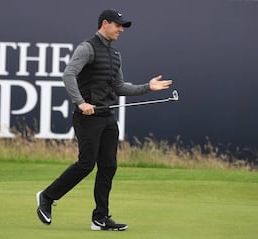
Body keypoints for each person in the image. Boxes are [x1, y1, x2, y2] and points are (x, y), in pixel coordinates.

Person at [36, 9, 172, 231]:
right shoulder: (86, 48)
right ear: (105, 23)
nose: (121, 30)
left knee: (108, 166)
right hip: (87, 118)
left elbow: (119, 87)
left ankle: (100, 218)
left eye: (122, 26)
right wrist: (81, 103)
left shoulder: (115, 55)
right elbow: (68, 75)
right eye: (118, 25)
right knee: (86, 164)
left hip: (107, 117)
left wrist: (148, 87)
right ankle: (47, 197)